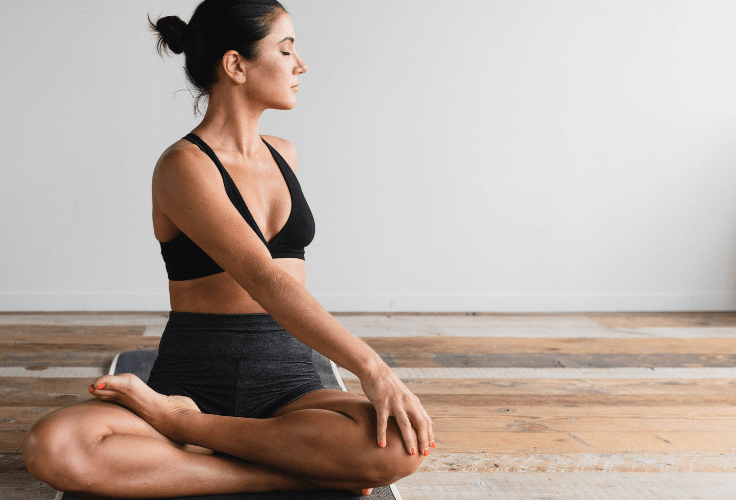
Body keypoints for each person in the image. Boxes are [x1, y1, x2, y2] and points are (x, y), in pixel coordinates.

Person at [22, 1, 433, 497]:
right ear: (235, 65)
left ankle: (192, 433)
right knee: (55, 446)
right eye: (285, 50)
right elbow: (265, 280)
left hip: (288, 384)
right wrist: (374, 369)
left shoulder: (286, 154)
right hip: (192, 379)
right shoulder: (182, 166)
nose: (300, 65)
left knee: (399, 448)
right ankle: (262, 457)